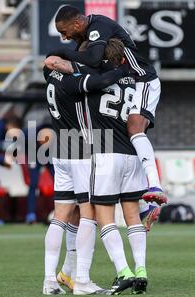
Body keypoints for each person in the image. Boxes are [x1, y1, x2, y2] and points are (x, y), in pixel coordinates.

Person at [52, 5, 167, 206]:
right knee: (128, 139)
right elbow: (89, 63)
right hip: (123, 83)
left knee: (134, 127)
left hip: (141, 80)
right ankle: (145, 206)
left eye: (64, 32)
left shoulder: (99, 25)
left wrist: (60, 53)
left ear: (77, 23)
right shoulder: (85, 35)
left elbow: (94, 59)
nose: (64, 37)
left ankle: (156, 186)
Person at [42, 52, 133, 295]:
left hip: (59, 148)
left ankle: (50, 280)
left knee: (60, 217)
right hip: (80, 148)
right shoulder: (72, 82)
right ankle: (82, 280)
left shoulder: (49, 76)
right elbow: (99, 82)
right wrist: (123, 70)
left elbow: (54, 64)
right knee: (89, 215)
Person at [23, 124, 55, 224]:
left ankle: (60, 212)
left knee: (59, 182)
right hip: (34, 154)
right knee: (33, 183)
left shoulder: (57, 133)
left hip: (50, 155)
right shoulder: (28, 135)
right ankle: (31, 214)